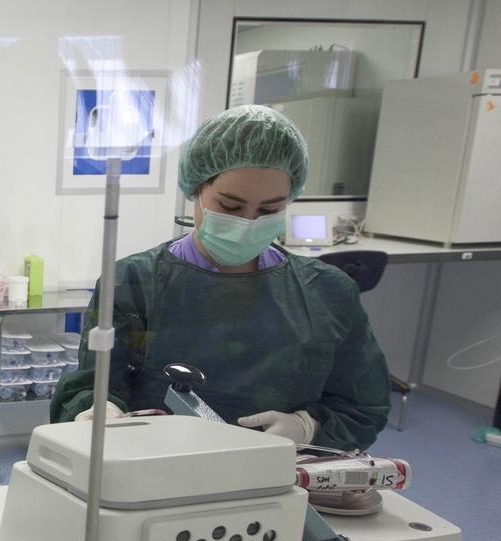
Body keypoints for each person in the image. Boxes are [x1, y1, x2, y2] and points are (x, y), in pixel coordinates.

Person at [51, 105, 390, 451]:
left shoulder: (328, 294)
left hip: (274, 478)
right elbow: (92, 387)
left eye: (269, 210)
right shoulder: (135, 282)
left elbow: (362, 407)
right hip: (151, 470)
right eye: (230, 207)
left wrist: (306, 427)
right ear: (196, 189)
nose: (248, 222)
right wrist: (95, 411)